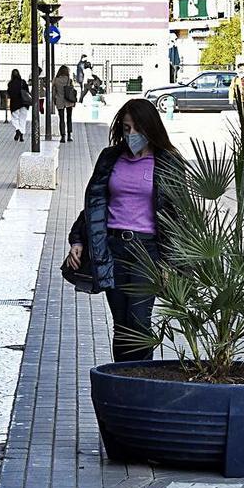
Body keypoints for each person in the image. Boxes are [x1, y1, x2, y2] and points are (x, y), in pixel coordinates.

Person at [66, 98, 184, 362]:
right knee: (121, 325)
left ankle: (143, 381)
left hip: (148, 251)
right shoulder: (110, 158)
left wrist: (170, 262)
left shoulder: (168, 161)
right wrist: (78, 239)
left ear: (151, 128)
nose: (131, 135)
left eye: (137, 129)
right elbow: (94, 203)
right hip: (113, 247)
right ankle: (122, 380)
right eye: (126, 128)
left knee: (139, 323)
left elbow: (179, 215)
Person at [52, 65, 77, 143]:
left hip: (59, 101)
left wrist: (54, 100)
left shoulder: (56, 80)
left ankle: (63, 136)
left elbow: (53, 92)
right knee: (69, 118)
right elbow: (73, 91)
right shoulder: (69, 80)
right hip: (69, 101)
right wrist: (74, 101)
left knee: (61, 119)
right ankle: (69, 135)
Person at [7, 69, 31, 142]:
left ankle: (18, 130)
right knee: (23, 119)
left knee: (15, 118)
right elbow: (27, 91)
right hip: (24, 103)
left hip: (15, 104)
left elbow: (9, 94)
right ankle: (22, 135)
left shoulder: (10, 84)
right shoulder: (23, 82)